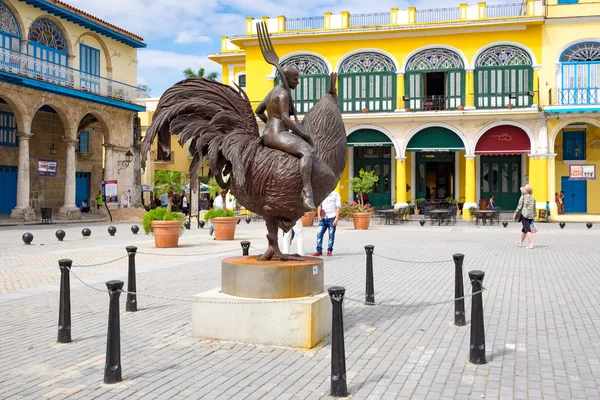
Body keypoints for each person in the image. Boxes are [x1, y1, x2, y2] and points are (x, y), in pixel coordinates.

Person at [255, 65, 316, 211]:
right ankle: (307, 193)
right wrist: (303, 135)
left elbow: (258, 111)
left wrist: (269, 125)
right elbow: (285, 118)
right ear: (286, 78)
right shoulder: (283, 94)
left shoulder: (272, 92)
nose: (298, 82)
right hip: (278, 135)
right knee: (307, 152)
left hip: (267, 134)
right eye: (295, 79)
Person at [312, 190, 341, 257]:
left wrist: (336, 219)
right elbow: (320, 205)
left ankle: (329, 250)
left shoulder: (336, 195)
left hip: (332, 217)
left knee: (331, 235)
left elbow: (338, 207)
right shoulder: (322, 194)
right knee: (319, 234)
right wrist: (318, 215)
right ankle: (319, 251)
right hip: (323, 217)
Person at [513, 184, 536, 249]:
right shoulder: (533, 198)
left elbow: (519, 206)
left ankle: (531, 244)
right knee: (524, 229)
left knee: (527, 230)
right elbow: (534, 208)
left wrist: (515, 213)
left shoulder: (523, 197)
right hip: (530, 216)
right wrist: (534, 216)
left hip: (525, 215)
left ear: (526, 190)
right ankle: (520, 242)